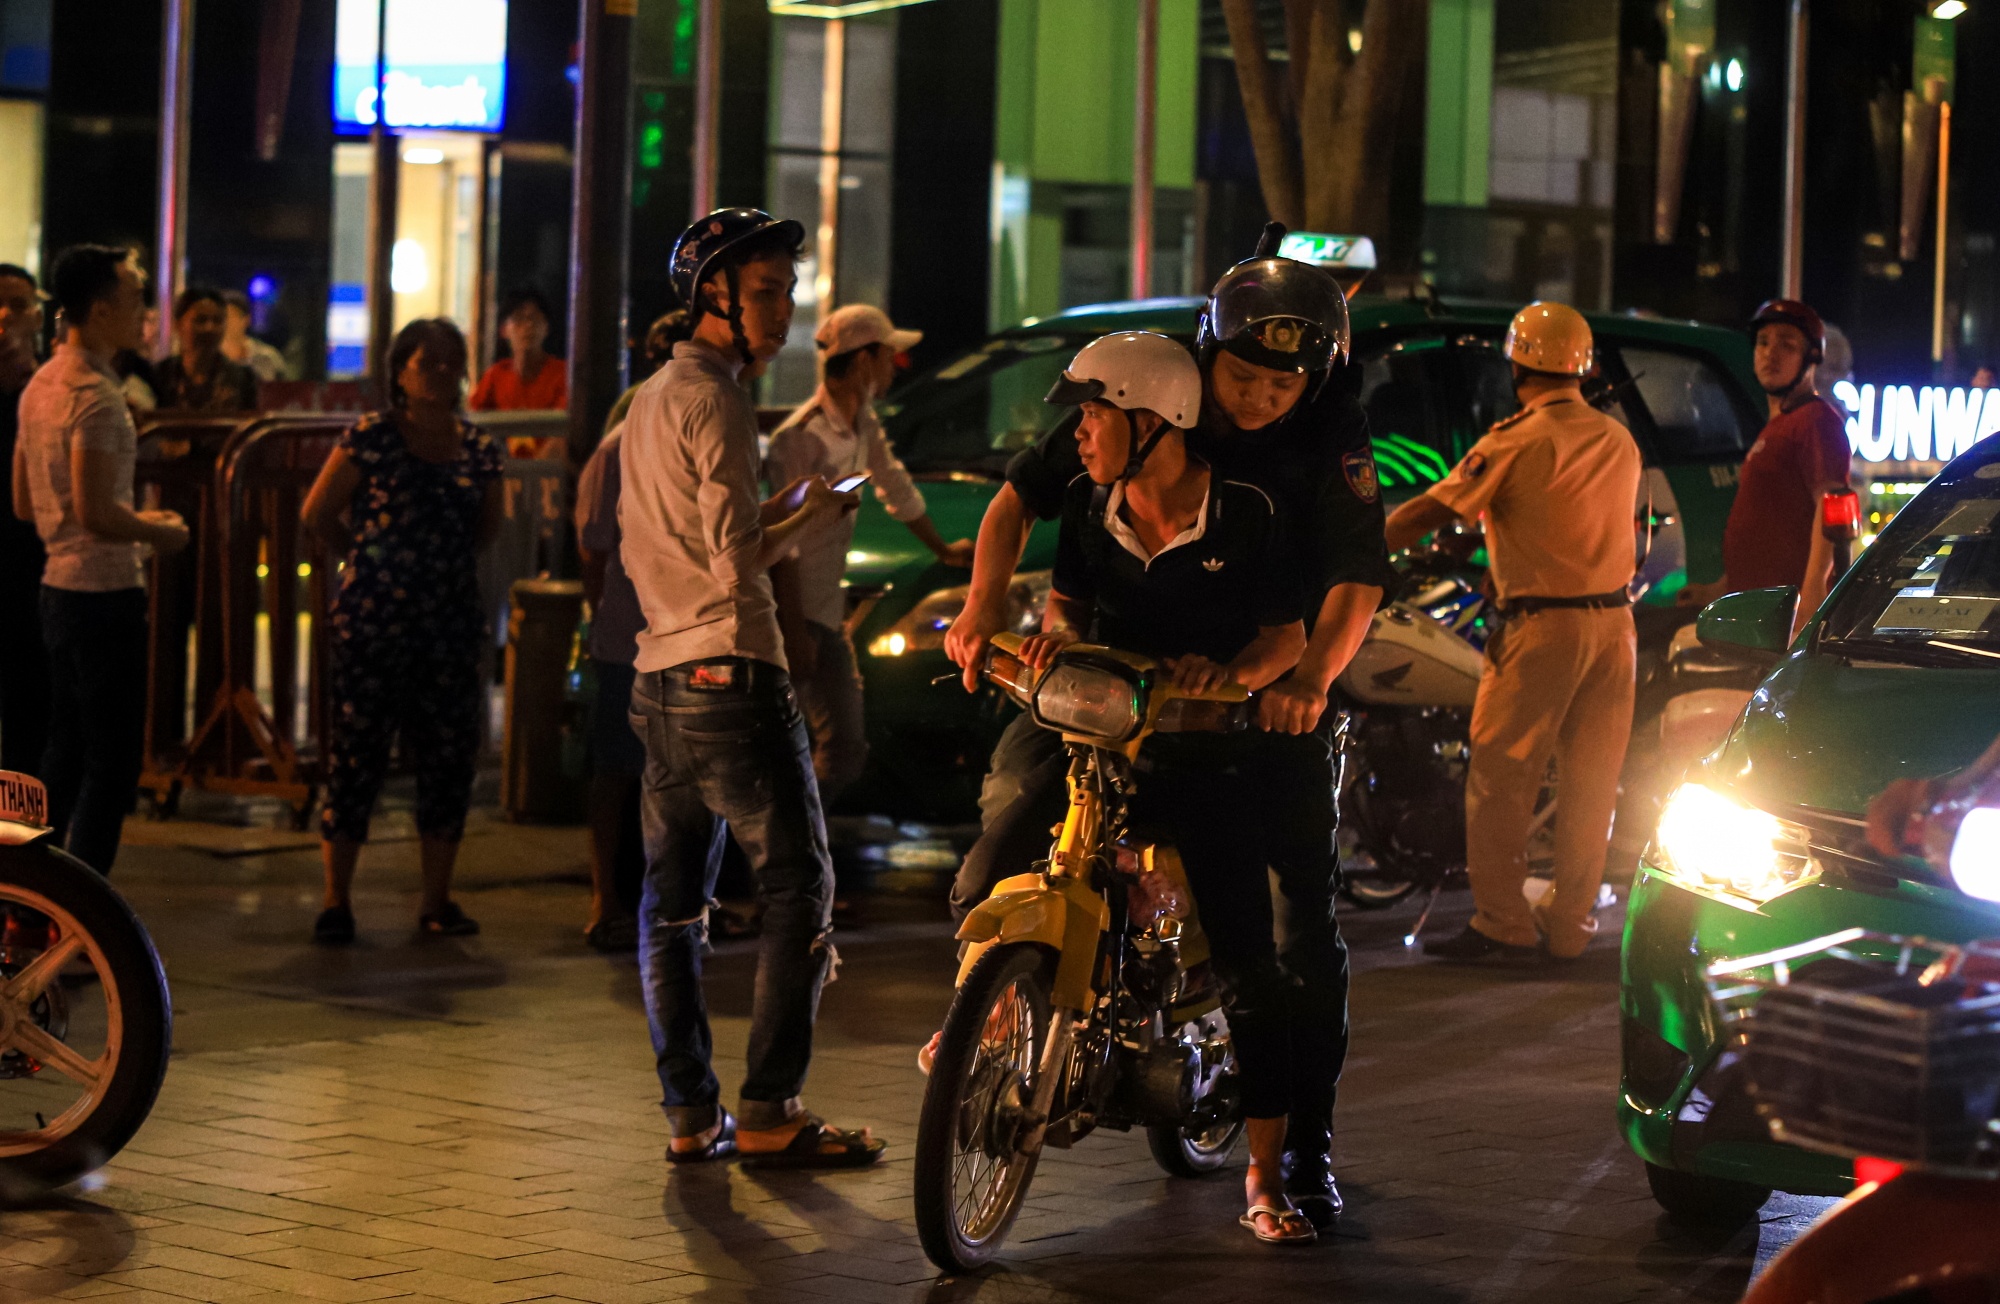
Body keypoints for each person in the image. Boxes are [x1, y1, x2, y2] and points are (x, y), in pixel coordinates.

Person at [942, 254, 1390, 1225]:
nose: (1261, 399)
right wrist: (984, 613)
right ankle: (987, 1006)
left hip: (1264, 695)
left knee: (1287, 934)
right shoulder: (1143, 407)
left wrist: (1307, 678)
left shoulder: (1324, 434)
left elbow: (1354, 576)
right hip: (1117, 685)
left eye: (1283, 383)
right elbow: (1019, 497)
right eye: (1242, 379)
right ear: (1200, 361)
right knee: (1004, 815)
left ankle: (1296, 1151)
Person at [1020, 330, 1312, 1242]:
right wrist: (1049, 637)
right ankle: (987, 1020)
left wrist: (1231, 678)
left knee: (1249, 970)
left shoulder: (1248, 512)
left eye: (1096, 414)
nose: (1081, 433)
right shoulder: (1081, 502)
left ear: (1152, 422)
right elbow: (1068, 603)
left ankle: (1266, 1176)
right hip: (1104, 746)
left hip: (1209, 756)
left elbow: (1287, 640)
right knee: (999, 861)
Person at [620, 207, 879, 1168]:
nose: (783, 310)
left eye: (786, 290)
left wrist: (795, 510)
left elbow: (679, 540)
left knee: (673, 905)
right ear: (714, 297)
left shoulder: (652, 396)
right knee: (797, 888)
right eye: (766, 291)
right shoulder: (720, 399)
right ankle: (771, 1108)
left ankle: (690, 1115)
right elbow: (733, 563)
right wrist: (799, 531)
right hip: (734, 670)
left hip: (660, 679)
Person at [1383, 301, 1642, 962]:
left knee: (1504, 776)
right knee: (1591, 782)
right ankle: (1570, 927)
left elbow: (1437, 507)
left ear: (1517, 365)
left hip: (1544, 628)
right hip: (1615, 627)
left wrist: (1360, 543)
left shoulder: (1517, 437)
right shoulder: (1619, 439)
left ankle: (1503, 922)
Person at [301, 318, 504, 943]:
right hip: (374, 625)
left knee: (447, 759)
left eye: (452, 361)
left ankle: (437, 899)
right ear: (400, 370)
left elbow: (488, 529)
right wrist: (364, 561)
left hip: (448, 624)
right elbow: (318, 512)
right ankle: (337, 899)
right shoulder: (373, 436)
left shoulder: (478, 447)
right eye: (428, 361)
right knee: (357, 755)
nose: (441, 371)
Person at [13, 246, 189, 874]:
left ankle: (31, 901)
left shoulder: (40, 385)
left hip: (55, 588)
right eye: (137, 297)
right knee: (111, 763)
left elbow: (25, 503)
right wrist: (158, 532)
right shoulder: (96, 398)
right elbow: (97, 512)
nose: (146, 312)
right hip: (104, 594)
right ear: (101, 309)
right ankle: (81, 917)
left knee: (61, 751)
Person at [765, 304, 973, 806]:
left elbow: (895, 486)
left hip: (823, 611)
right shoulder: (800, 437)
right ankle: (780, 853)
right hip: (792, 614)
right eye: (888, 358)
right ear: (863, 361)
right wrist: (793, 632)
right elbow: (780, 545)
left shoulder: (863, 423)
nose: (892, 370)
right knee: (804, 745)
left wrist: (943, 550)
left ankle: (792, 851)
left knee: (841, 748)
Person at [1679, 300, 1851, 640]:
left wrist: (1813, 594)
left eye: (1787, 344)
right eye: (1763, 342)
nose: (1770, 353)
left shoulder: (1815, 420)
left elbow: (1830, 508)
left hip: (1786, 620)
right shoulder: (1777, 425)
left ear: (1812, 356)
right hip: (1757, 615)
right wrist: (1719, 590)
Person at [0, 263, 50, 775]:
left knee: (29, 701)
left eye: (18, 305)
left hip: (33, 558)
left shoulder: (48, 388)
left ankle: (19, 841)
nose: (5, 317)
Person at [153, 286, 260, 414]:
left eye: (217, 321)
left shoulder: (244, 379)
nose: (209, 328)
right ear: (178, 324)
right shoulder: (160, 376)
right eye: (200, 320)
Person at [470, 287, 569, 417]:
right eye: (519, 318)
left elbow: (564, 431)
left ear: (546, 328)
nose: (528, 325)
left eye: (534, 318)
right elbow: (472, 420)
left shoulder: (563, 374)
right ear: (504, 330)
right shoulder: (494, 377)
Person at [221, 290, 289, 383]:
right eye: (222, 317)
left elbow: (283, 391)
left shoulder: (267, 357)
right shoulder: (204, 358)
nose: (227, 322)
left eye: (232, 316)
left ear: (246, 319)